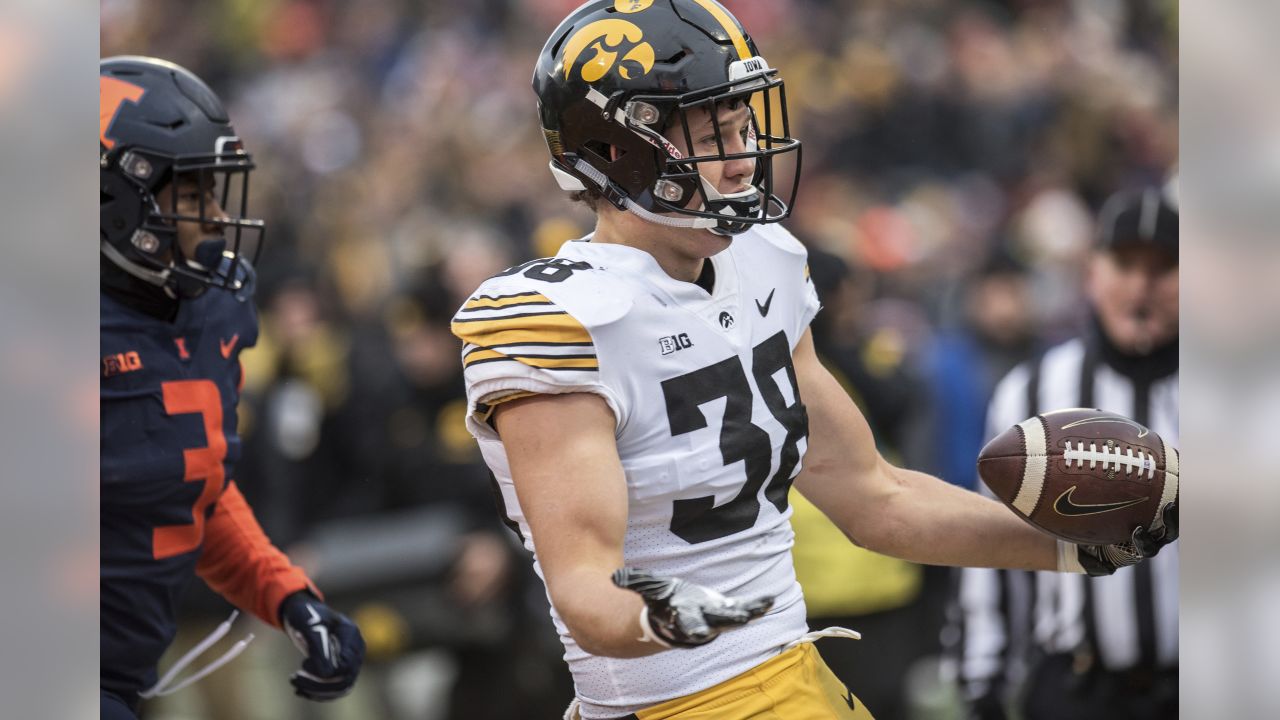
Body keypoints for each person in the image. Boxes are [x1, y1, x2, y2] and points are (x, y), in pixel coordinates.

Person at [449, 3, 1176, 718]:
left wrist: (1071, 549)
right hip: (678, 701)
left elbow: (876, 499)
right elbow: (583, 588)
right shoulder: (561, 322)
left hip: (793, 668)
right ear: (616, 150)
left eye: (742, 126)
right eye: (710, 135)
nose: (742, 158)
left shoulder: (763, 264)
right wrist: (658, 617)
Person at [100, 56, 365, 719]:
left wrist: (288, 597)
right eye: (192, 195)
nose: (217, 219)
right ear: (114, 196)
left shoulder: (212, 309)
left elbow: (193, 489)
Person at [954, 186, 1179, 720]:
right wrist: (983, 679)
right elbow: (990, 540)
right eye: (1124, 264)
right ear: (1092, 272)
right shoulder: (1033, 390)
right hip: (1079, 687)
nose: (1141, 286)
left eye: (1164, 267)